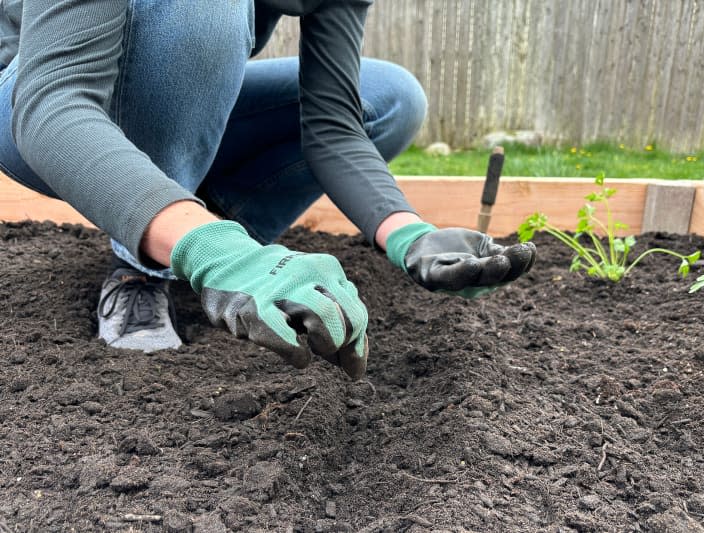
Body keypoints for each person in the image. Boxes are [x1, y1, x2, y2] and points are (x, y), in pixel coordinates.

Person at [0, 0, 536, 380]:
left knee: (389, 97)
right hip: (33, 102)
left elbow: (333, 127)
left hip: (151, 95)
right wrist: (219, 256)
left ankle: (211, 235)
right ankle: (153, 264)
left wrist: (412, 236)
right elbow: (53, 107)